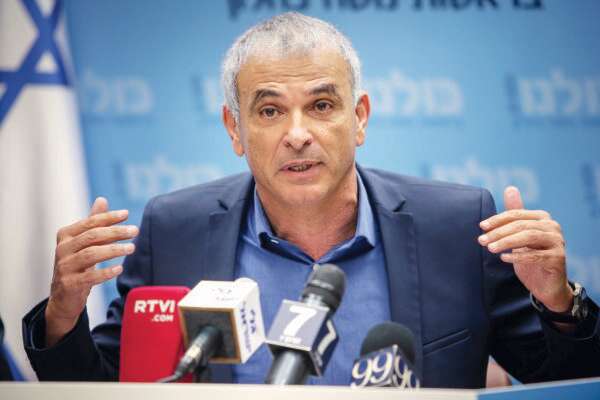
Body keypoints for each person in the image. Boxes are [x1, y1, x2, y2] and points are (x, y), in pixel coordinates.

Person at [23, 13, 599, 387]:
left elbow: (565, 380)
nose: (297, 134)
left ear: (360, 117)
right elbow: (109, 386)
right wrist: (62, 317)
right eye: (270, 110)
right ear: (234, 129)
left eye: (321, 106)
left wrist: (559, 301)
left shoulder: (456, 226)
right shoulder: (175, 229)